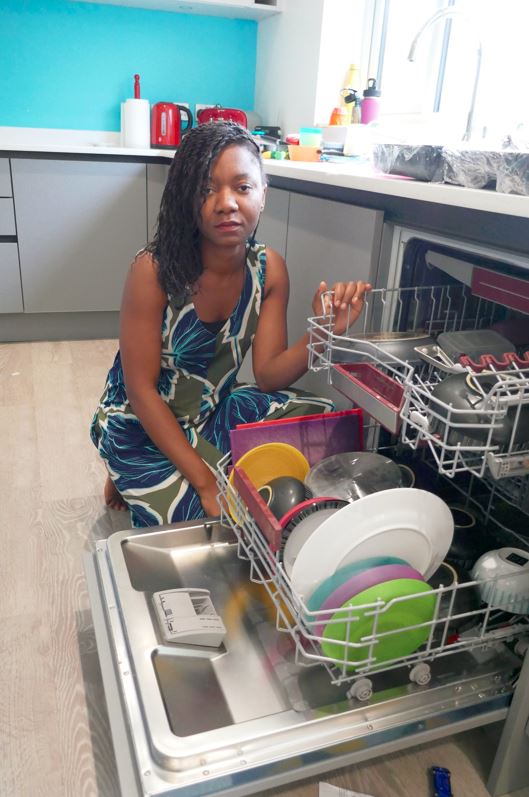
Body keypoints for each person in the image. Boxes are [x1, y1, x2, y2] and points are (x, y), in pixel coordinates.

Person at [90, 121, 370, 528]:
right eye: (207, 189)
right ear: (188, 198)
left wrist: (324, 332)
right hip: (139, 421)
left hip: (210, 409)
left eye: (242, 187)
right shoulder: (152, 270)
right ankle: (121, 470)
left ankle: (184, 465)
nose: (226, 203)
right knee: (193, 518)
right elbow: (141, 390)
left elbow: (269, 375)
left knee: (324, 421)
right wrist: (205, 484)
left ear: (263, 194)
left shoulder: (269, 268)